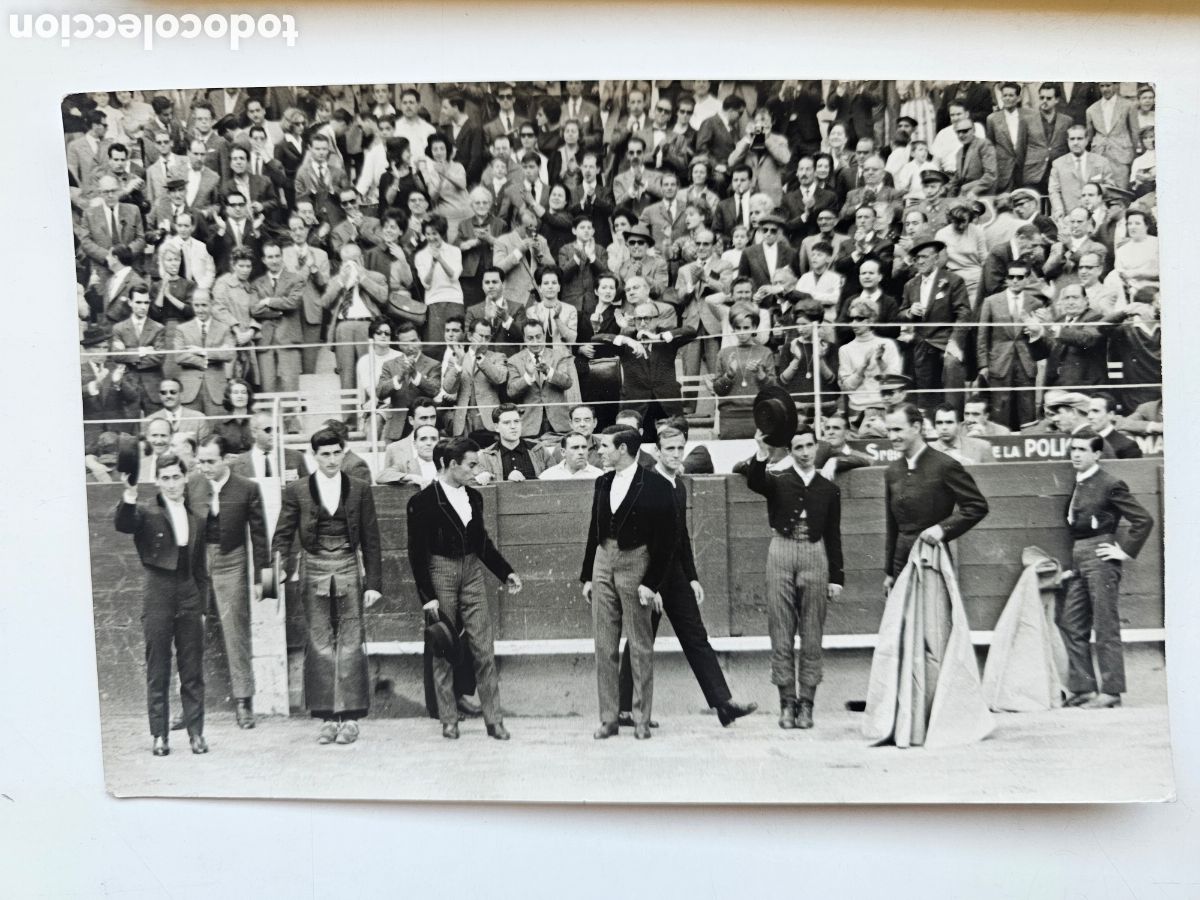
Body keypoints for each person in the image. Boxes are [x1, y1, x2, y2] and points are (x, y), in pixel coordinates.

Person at [615, 423, 758, 728]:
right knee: (640, 641)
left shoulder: (677, 485)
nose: (676, 454)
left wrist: (691, 577)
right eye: (670, 449)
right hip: (649, 576)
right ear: (657, 452)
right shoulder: (645, 485)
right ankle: (623, 709)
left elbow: (680, 537)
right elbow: (641, 541)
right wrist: (650, 584)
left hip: (675, 575)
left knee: (696, 636)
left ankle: (723, 704)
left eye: (681, 448)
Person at [271, 427, 383, 745]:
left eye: (336, 453)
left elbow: (371, 538)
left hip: (347, 561)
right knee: (319, 639)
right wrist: (276, 571)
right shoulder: (297, 489)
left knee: (351, 639)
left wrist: (373, 583)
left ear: (343, 452)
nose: (332, 460)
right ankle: (327, 718)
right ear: (314, 456)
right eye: (325, 455)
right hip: (314, 564)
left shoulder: (360, 488)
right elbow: (282, 534)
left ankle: (351, 718)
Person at [407, 438, 524, 740]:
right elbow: (417, 554)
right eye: (471, 465)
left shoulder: (474, 497)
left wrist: (506, 572)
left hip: (472, 572)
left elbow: (481, 542)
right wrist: (427, 596)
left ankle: (494, 720)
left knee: (484, 648)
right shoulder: (422, 501)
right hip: (440, 573)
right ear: (451, 465)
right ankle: (448, 719)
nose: (476, 471)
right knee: (443, 648)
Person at [741, 426, 843, 729]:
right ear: (790, 450)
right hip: (781, 552)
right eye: (798, 447)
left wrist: (836, 577)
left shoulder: (828, 488)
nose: (805, 452)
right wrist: (763, 451)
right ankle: (787, 703)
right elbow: (754, 480)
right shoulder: (778, 479)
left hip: (815, 553)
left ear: (817, 446)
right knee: (780, 630)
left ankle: (807, 704)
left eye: (809, 445)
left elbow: (833, 534)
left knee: (812, 632)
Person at [579, 425, 677, 740]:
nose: (599, 451)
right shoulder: (602, 481)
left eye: (605, 446)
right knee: (604, 644)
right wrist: (587, 575)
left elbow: (668, 540)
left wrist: (652, 582)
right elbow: (595, 530)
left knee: (639, 644)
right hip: (603, 560)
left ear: (623, 449)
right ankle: (608, 718)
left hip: (637, 562)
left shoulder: (657, 485)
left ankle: (641, 719)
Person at [115, 453, 210, 756]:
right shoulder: (146, 511)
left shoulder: (196, 518)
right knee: (158, 667)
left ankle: (196, 734)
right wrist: (130, 493)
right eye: (165, 478)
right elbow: (124, 523)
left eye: (176, 477)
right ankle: (159, 735)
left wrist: (203, 607)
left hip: (188, 592)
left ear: (185, 478)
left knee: (192, 667)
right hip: (158, 591)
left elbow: (200, 569)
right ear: (157, 481)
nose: (171, 484)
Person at [1057, 430, 1154, 709]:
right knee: (1072, 623)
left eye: (1083, 450)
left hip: (1100, 557)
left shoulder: (1110, 483)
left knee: (1104, 624)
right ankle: (1084, 687)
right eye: (1073, 449)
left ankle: (1111, 691)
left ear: (1097, 454)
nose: (1076, 454)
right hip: (1079, 557)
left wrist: (1123, 551)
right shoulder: (1080, 481)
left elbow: (1143, 520)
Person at [188, 434, 269, 729]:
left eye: (211, 461)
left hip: (232, 561)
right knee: (187, 631)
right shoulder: (192, 484)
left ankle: (244, 702)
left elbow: (261, 536)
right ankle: (187, 704)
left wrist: (266, 584)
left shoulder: (247, 488)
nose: (205, 467)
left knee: (236, 632)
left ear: (225, 460)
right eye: (201, 461)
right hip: (197, 564)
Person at [882, 403, 989, 595]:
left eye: (897, 429)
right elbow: (893, 525)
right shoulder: (893, 470)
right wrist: (890, 571)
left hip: (932, 557)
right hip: (901, 560)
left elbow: (976, 506)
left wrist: (942, 528)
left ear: (916, 427)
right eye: (889, 430)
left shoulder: (945, 465)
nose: (891, 437)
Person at [898, 229, 970, 413]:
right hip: (920, 344)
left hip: (944, 342)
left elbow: (963, 314)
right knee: (922, 396)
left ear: (936, 258)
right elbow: (900, 314)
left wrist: (955, 342)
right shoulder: (910, 285)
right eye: (916, 258)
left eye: (924, 257)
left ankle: (954, 417)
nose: (920, 261)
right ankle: (925, 418)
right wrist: (910, 312)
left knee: (951, 365)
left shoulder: (953, 281)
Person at [975, 260, 1042, 430]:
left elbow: (1040, 335)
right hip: (999, 361)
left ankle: (1028, 438)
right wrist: (983, 365)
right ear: (1006, 279)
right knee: (1000, 408)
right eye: (1011, 277)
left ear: (1027, 279)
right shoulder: (991, 302)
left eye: (1020, 277)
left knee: (1027, 407)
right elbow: (983, 335)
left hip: (1026, 361)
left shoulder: (1035, 303)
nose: (1015, 281)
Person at [712, 308, 777, 438]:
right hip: (730, 417)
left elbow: (773, 390)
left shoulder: (765, 352)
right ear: (733, 329)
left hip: (759, 415)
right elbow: (719, 390)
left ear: (754, 327)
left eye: (746, 328)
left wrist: (761, 375)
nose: (742, 332)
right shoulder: (724, 353)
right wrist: (729, 375)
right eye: (738, 328)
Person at [476, 403, 550, 483]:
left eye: (516, 421)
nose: (513, 426)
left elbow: (555, 478)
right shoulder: (486, 456)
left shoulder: (538, 449)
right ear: (496, 427)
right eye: (506, 423)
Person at [1086, 393, 1143, 459]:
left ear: (1110, 415)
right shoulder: (1082, 441)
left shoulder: (1127, 446)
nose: (1089, 416)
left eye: (1095, 411)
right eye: (1087, 412)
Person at [539, 431, 604, 480]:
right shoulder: (548, 476)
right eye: (575, 448)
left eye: (584, 447)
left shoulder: (599, 476)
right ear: (563, 452)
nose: (581, 452)